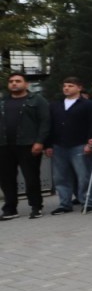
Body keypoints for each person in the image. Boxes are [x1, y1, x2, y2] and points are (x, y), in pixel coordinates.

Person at [0, 72, 51, 220]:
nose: (14, 83)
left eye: (17, 81)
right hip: (4, 146)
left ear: (26, 84)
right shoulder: (3, 101)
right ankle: (10, 209)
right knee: (6, 179)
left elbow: (45, 122)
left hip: (28, 145)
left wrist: (40, 141)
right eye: (11, 81)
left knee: (31, 177)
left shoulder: (37, 100)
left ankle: (36, 207)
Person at [46, 77, 92, 215]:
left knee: (84, 175)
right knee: (60, 176)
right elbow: (50, 125)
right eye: (64, 86)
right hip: (59, 144)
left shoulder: (88, 105)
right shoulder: (55, 105)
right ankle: (64, 203)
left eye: (70, 85)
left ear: (79, 88)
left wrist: (90, 143)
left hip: (79, 144)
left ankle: (88, 201)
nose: (66, 88)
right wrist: (49, 144)